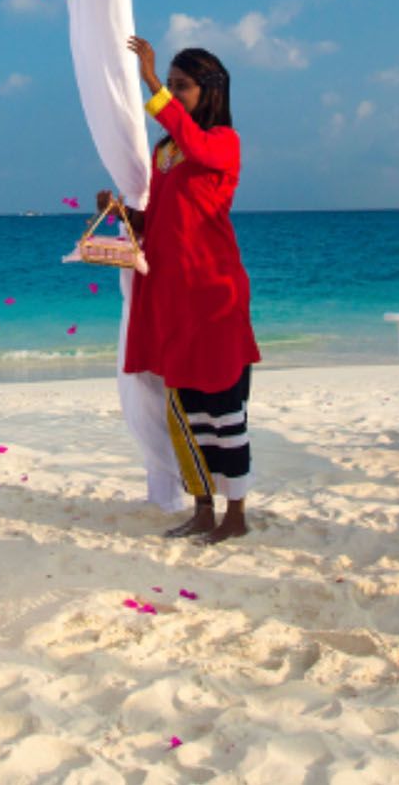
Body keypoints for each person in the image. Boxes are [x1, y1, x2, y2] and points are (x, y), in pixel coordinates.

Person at [101, 37, 262, 545]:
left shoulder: (222, 142)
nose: (172, 92)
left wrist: (150, 82)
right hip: (173, 296)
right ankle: (203, 508)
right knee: (188, 413)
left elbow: (197, 146)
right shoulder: (165, 151)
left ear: (209, 90)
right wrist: (123, 214)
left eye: (181, 86)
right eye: (169, 84)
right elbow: (159, 220)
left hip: (214, 294)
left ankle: (236, 513)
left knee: (224, 409)